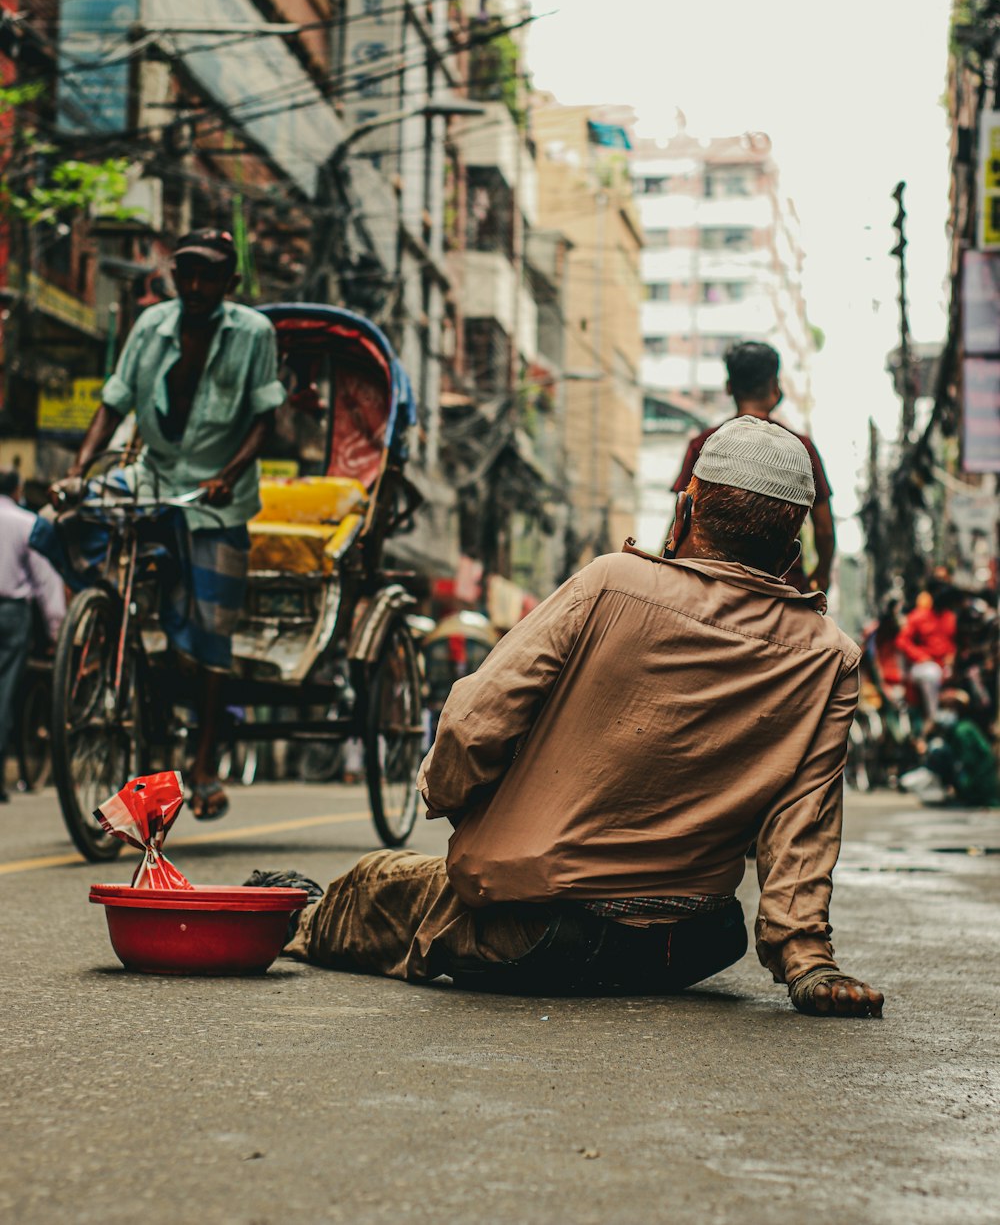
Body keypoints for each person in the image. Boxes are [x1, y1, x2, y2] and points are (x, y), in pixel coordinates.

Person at [253, 418, 883, 1018]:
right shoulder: (829, 656)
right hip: (693, 944)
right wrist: (808, 961)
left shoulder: (612, 584)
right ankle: (302, 901)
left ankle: (294, 911)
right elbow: (804, 823)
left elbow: (473, 723)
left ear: (686, 511)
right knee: (425, 895)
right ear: (790, 553)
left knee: (380, 885)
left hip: (541, 933)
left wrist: (451, 797)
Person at [53, 229, 285, 820]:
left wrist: (230, 473)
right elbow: (114, 402)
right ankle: (106, 627)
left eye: (210, 276)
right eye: (188, 273)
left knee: (211, 637)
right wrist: (78, 470)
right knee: (66, 521)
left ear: (230, 283)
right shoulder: (150, 325)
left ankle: (203, 764)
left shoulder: (253, 333)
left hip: (216, 496)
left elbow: (266, 417)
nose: (198, 286)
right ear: (174, 274)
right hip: (153, 476)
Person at [671, 341, 835, 594]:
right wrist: (822, 573)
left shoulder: (704, 443)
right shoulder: (800, 449)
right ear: (775, 387)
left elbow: (681, 515)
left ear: (728, 387)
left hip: (708, 581)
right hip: (780, 586)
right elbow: (824, 528)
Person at [0, 469, 66, 801]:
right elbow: (46, 581)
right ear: (18, 490)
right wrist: (58, 632)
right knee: (5, 691)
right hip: (12, 613)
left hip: (14, 612)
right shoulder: (26, 523)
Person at [896, 582, 957, 725]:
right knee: (931, 672)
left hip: (943, 666)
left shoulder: (949, 617)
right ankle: (933, 716)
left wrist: (951, 656)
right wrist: (920, 656)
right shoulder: (918, 616)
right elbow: (902, 641)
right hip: (922, 666)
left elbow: (951, 644)